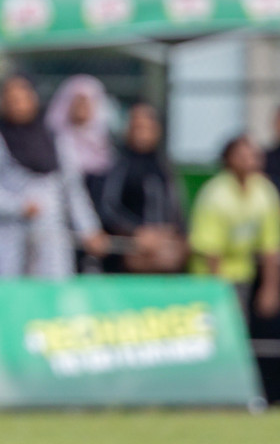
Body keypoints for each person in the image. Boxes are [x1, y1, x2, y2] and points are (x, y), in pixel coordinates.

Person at [0, 74, 109, 278]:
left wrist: (89, 230)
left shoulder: (54, 137)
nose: (16, 104)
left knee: (51, 298)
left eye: (22, 98)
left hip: (50, 237)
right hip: (5, 235)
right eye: (10, 99)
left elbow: (72, 190)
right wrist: (17, 206)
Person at [189, 135, 280, 320]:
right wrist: (221, 293)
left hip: (245, 276)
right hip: (210, 279)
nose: (250, 161)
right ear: (229, 159)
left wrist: (270, 288)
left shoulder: (264, 191)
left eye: (253, 156)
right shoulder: (215, 195)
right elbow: (210, 250)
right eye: (242, 156)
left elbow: (270, 246)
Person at [97, 104, 187, 274]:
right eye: (137, 127)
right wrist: (137, 231)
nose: (142, 133)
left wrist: (174, 234)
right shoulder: (120, 166)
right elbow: (108, 207)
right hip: (131, 252)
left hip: (165, 252)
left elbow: (175, 207)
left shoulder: (163, 166)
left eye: (147, 127)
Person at [46, 74, 115, 207]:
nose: (82, 106)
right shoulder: (54, 142)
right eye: (77, 100)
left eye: (88, 101)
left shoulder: (106, 145)